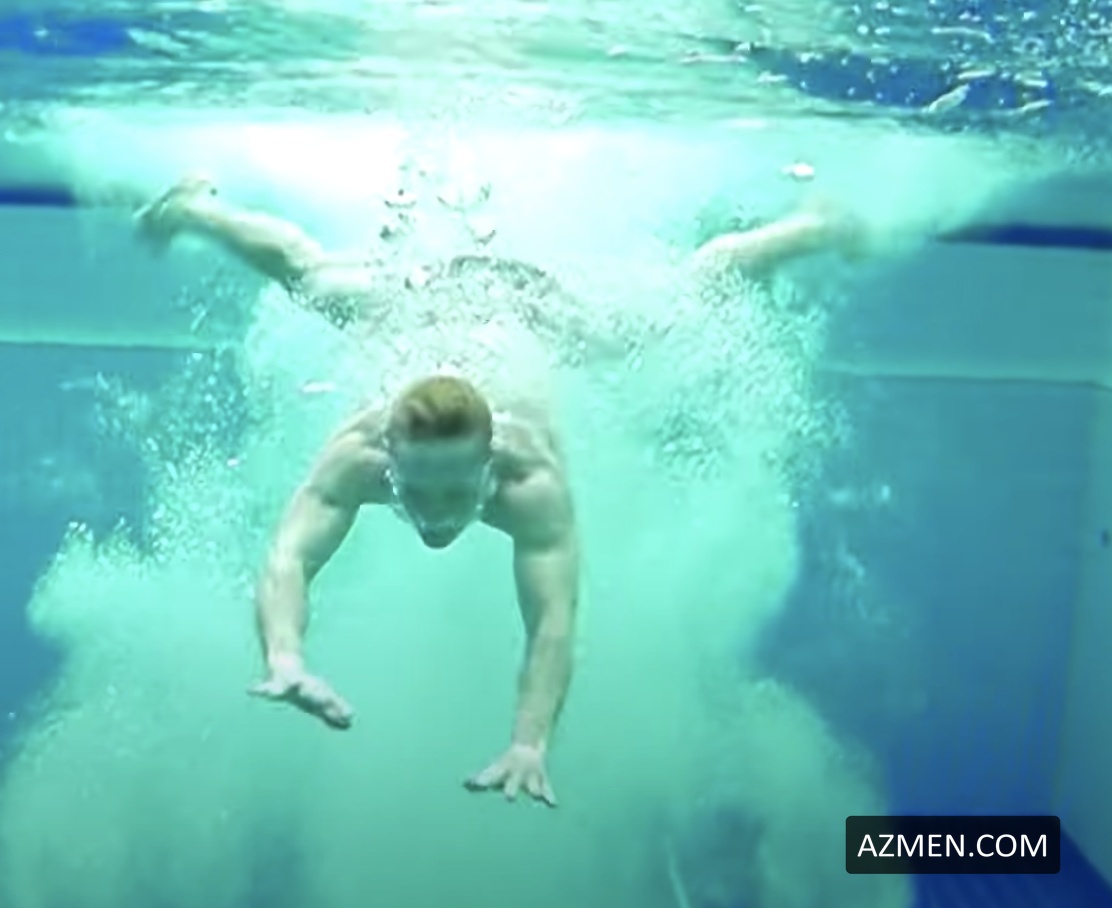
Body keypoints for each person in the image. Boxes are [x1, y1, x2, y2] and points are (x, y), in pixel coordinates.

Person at [133, 173, 863, 807]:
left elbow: (553, 622)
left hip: (531, 307)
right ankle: (193, 206)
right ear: (390, 454)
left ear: (489, 465)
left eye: (456, 493)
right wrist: (284, 657)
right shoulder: (358, 456)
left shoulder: (530, 482)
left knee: (686, 299)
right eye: (417, 489)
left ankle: (814, 225)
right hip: (420, 304)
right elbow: (288, 557)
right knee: (308, 275)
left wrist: (530, 741)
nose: (434, 513)